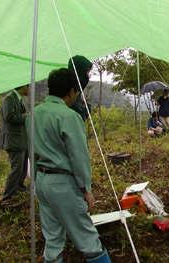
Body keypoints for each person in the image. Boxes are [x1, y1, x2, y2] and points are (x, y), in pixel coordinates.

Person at [26, 68, 111, 263]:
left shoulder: (34, 114)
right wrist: (85, 189)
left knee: (53, 238)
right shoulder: (69, 116)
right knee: (87, 236)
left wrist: (36, 181)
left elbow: (31, 151)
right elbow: (79, 157)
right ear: (72, 91)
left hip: (42, 180)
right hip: (62, 182)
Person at [0, 84, 30, 201]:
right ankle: (8, 196)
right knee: (17, 168)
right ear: (24, 87)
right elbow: (9, 117)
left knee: (22, 167)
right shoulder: (9, 99)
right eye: (29, 87)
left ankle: (19, 189)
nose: (30, 89)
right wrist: (27, 116)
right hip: (14, 140)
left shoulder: (19, 99)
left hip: (21, 140)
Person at [68, 55, 93, 122]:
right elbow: (79, 117)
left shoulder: (76, 92)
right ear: (80, 72)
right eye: (87, 72)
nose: (88, 76)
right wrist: (87, 108)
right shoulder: (70, 93)